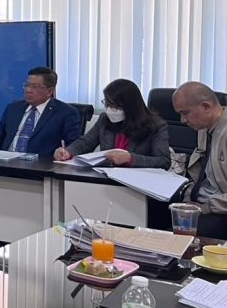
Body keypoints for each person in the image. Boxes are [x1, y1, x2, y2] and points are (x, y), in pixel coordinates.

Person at [54, 79, 171, 168]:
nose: (109, 110)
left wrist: (130, 158)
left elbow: (164, 161)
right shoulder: (104, 120)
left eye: (114, 106)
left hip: (139, 183)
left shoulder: (156, 125)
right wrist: (68, 152)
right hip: (107, 179)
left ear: (130, 106)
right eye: (107, 104)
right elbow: (86, 142)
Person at [0, 66, 81, 156]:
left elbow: (72, 147)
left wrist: (63, 153)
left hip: (39, 164)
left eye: (35, 87)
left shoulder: (65, 113)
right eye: (27, 85)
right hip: (5, 161)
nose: (28, 90)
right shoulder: (13, 108)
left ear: (50, 91)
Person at [174, 82, 227, 238]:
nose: (182, 120)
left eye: (185, 113)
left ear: (206, 106)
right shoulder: (204, 128)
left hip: (218, 209)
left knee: (182, 236)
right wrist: (187, 201)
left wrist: (205, 208)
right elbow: (200, 173)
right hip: (201, 202)